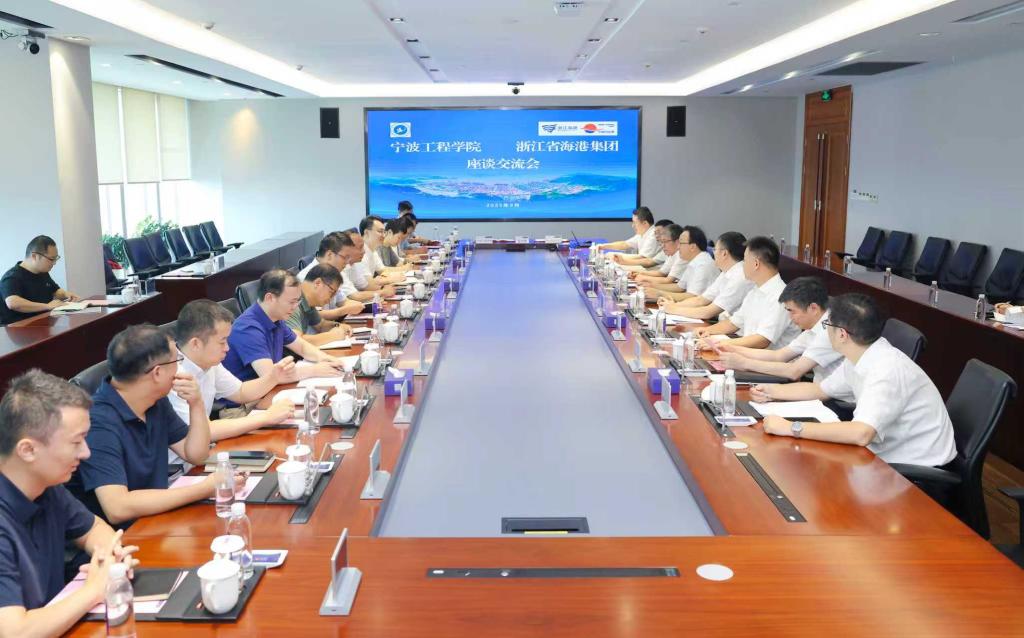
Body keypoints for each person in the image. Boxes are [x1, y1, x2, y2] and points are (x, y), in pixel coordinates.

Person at [0, 370, 138, 637]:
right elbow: (15, 632)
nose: (86, 452)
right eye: (76, 442)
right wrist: (94, 589)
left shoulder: (46, 485)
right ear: (28, 450)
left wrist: (108, 558)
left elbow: (93, 528)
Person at [753, 293, 957, 467]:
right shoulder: (861, 353)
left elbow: (861, 433)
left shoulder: (886, 370)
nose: (826, 330)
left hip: (914, 470)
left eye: (827, 324)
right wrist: (770, 391)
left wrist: (791, 428)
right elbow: (821, 390)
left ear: (842, 334)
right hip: (883, 454)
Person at [67, 324, 242, 527]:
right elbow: (117, 508)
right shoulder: (97, 423)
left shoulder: (156, 402)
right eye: (177, 360)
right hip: (122, 535)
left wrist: (196, 403)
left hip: (157, 518)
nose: (180, 368)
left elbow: (196, 454)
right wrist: (205, 488)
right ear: (157, 373)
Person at [169, 300, 295, 447]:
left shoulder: (209, 363)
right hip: (184, 459)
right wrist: (267, 417)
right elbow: (203, 431)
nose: (227, 348)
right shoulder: (173, 376)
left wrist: (273, 377)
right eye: (222, 342)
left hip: (203, 449)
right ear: (196, 344)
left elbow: (241, 392)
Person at [222, 269, 345, 384]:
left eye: (297, 301)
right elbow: (270, 376)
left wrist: (325, 358)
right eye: (291, 302)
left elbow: (302, 347)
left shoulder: (276, 318)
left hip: (269, 391)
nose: (295, 307)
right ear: (270, 298)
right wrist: (315, 370)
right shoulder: (248, 328)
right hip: (250, 398)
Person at [713, 276, 842, 381]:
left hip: (834, 400)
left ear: (813, 308)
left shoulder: (830, 330)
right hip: (820, 391)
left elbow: (795, 371)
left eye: (792, 311)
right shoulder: (814, 328)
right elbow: (778, 356)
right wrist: (730, 348)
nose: (790, 317)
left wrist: (744, 363)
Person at [693, 236, 800, 350]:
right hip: (749, 354)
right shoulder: (755, 290)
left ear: (756, 264)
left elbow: (762, 340)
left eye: (745, 260)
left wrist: (719, 343)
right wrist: (707, 330)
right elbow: (734, 322)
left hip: (768, 359)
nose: (742, 265)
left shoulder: (780, 296)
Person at [659, 231, 752, 320]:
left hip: (732, 329)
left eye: (715, 249)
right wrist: (673, 305)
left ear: (724, 253)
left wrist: (673, 309)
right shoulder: (727, 272)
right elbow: (701, 300)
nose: (713, 253)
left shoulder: (739, 277)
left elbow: (708, 312)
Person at [1, 235, 81, 325]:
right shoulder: (12, 277)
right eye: (51, 259)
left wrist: (66, 294)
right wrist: (47, 306)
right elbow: (13, 303)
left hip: (43, 324)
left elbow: (55, 291)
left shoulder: (42, 272)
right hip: (19, 329)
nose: (54, 263)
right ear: (34, 256)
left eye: (56, 258)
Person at [295, 232, 365, 320]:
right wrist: (343, 311)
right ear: (329, 255)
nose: (347, 262)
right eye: (345, 257)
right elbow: (314, 316)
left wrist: (361, 306)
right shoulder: (305, 278)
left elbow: (343, 301)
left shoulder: (333, 273)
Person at [642, 225, 718, 301]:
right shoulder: (694, 261)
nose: (678, 247)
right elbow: (680, 287)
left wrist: (660, 294)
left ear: (692, 247)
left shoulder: (703, 265)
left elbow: (692, 297)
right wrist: (651, 285)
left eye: (681, 243)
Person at [287, 264, 356, 346]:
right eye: (331, 292)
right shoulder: (293, 300)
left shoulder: (308, 301)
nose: (331, 298)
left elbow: (321, 325)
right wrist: (332, 336)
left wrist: (338, 326)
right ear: (318, 283)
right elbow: (296, 341)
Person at [593, 207, 658, 263]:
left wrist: (614, 255)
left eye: (635, 222)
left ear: (645, 223)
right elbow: (625, 244)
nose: (633, 226)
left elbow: (641, 257)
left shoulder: (654, 235)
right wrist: (604, 246)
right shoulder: (642, 234)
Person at [360, 216, 406, 284]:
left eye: (384, 232)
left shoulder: (372, 250)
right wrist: (390, 280)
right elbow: (366, 284)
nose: (384, 235)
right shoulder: (359, 252)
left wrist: (400, 274)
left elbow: (382, 270)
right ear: (366, 233)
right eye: (380, 231)